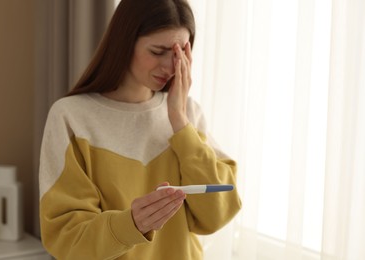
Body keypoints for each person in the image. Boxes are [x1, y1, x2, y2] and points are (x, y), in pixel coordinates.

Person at [39, 0, 241, 259]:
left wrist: (178, 120)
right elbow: (67, 238)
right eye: (158, 51)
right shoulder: (71, 117)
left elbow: (216, 215)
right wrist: (132, 224)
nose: (170, 67)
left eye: (180, 54)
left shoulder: (188, 114)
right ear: (124, 42)